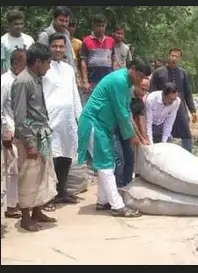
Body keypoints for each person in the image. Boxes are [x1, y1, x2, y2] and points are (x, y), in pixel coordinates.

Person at [77, 59, 151, 217]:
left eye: (143, 77)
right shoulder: (119, 81)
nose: (140, 79)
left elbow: (126, 110)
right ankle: (117, 206)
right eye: (138, 75)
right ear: (131, 69)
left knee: (107, 162)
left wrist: (138, 135)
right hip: (95, 123)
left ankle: (103, 201)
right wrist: (131, 136)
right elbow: (121, 112)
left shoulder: (127, 83)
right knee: (105, 165)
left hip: (103, 126)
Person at [11, 43, 57, 232]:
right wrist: (29, 143)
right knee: (29, 176)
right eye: (48, 62)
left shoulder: (36, 78)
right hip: (30, 136)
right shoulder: (23, 81)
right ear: (38, 62)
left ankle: (37, 211)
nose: (49, 67)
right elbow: (20, 116)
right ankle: (26, 217)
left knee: (42, 174)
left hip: (42, 133)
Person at [42, 33, 82, 211]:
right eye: (55, 46)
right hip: (50, 119)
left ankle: (61, 191)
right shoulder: (43, 68)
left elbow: (74, 94)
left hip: (67, 120)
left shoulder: (68, 69)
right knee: (51, 158)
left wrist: (80, 117)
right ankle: (47, 197)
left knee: (66, 155)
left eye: (61, 46)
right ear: (49, 47)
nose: (58, 49)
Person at [149, 48, 197, 152]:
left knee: (186, 132)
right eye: (172, 55)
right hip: (162, 106)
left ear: (180, 58)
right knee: (164, 131)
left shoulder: (183, 73)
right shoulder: (158, 72)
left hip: (179, 107)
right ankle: (163, 153)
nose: (174, 58)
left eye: (177, 56)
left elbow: (187, 92)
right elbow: (152, 91)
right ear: (168, 55)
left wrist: (192, 110)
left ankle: (188, 156)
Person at [1, 49, 27, 219]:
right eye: (24, 64)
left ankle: (18, 201)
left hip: (21, 131)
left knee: (19, 169)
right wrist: (5, 129)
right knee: (11, 170)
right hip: (9, 131)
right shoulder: (5, 81)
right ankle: (11, 206)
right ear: (15, 63)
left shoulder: (22, 80)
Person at [115, 78, 150, 187]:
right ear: (135, 85)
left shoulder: (140, 102)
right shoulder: (126, 96)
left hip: (126, 131)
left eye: (146, 90)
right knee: (119, 159)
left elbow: (142, 121)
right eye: (142, 89)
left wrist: (145, 139)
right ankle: (118, 187)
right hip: (114, 129)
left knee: (130, 158)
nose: (143, 93)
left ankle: (127, 185)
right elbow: (128, 118)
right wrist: (136, 136)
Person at [80, 13, 117, 105]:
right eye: (98, 26)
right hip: (92, 80)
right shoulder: (86, 40)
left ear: (106, 26)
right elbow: (83, 61)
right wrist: (85, 81)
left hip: (107, 80)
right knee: (91, 105)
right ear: (93, 26)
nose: (100, 28)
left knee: (106, 105)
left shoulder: (111, 41)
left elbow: (114, 60)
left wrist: (114, 78)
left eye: (102, 26)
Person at [38, 6, 75, 72]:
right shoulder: (45, 35)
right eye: (61, 20)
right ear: (54, 19)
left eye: (66, 21)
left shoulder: (66, 34)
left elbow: (70, 57)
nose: (64, 24)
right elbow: (40, 61)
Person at [1, 10, 34, 74]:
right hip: (10, 78)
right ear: (9, 24)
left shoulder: (29, 39)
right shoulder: (3, 41)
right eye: (16, 24)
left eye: (21, 24)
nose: (19, 26)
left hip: (28, 76)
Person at [67, 21, 83, 89]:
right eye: (69, 26)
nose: (71, 29)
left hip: (76, 71)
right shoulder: (60, 41)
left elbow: (81, 60)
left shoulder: (79, 42)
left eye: (73, 26)